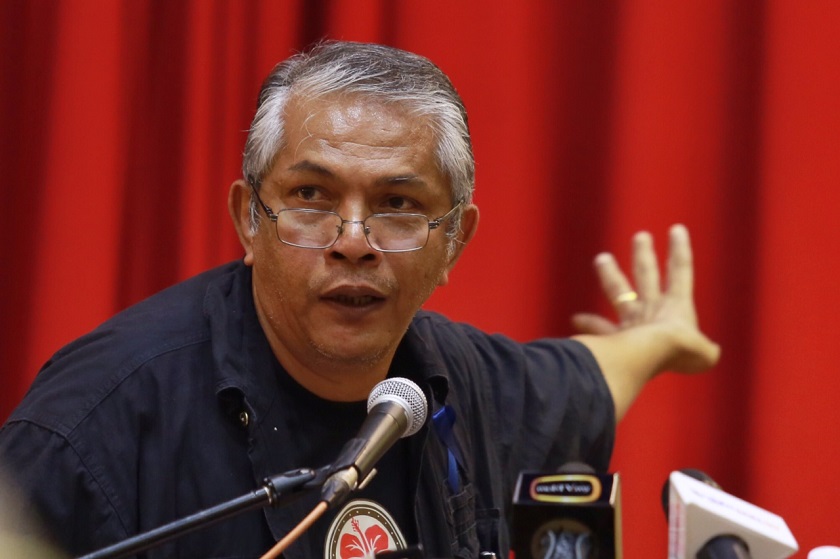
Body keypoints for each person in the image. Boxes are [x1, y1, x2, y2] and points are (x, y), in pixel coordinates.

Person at [0, 41, 720, 559]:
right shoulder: (92, 427)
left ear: (454, 242)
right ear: (249, 219)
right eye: (311, 196)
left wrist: (657, 336)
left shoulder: (465, 383)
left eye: (398, 204)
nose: (353, 240)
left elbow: (595, 374)